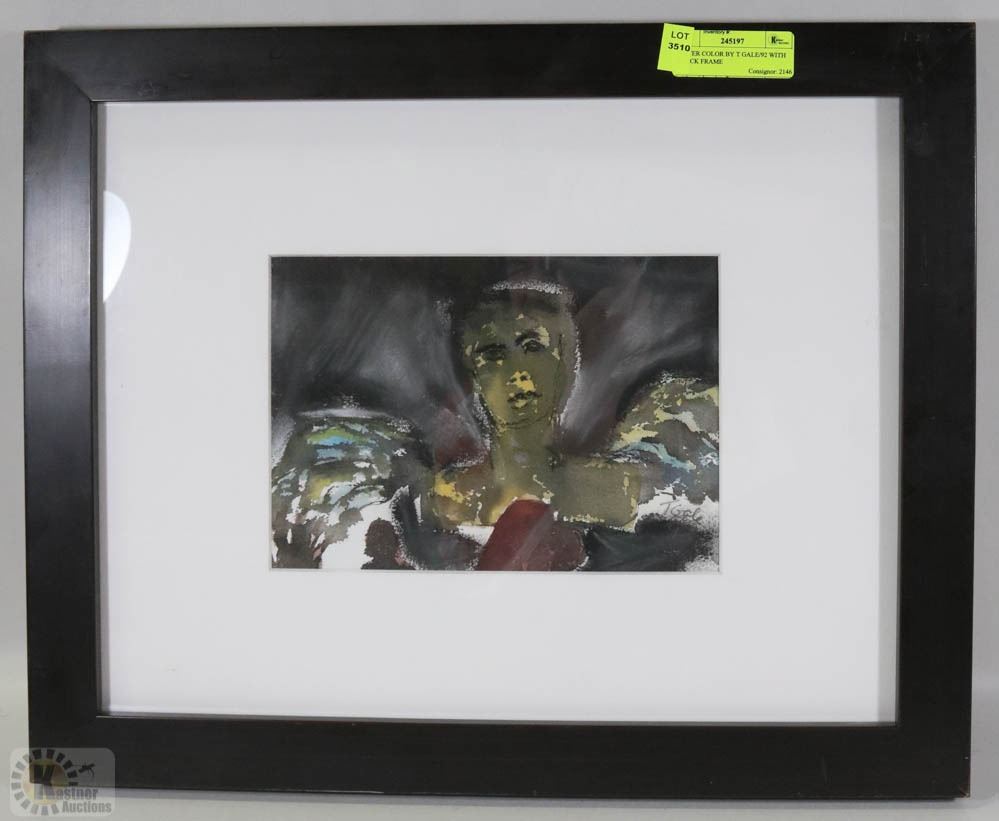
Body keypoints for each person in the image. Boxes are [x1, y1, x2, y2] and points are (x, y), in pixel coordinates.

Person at [272, 283, 719, 571]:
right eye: (492, 354)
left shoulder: (636, 488)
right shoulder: (427, 503)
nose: (515, 373)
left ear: (568, 363)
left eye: (532, 347)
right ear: (473, 374)